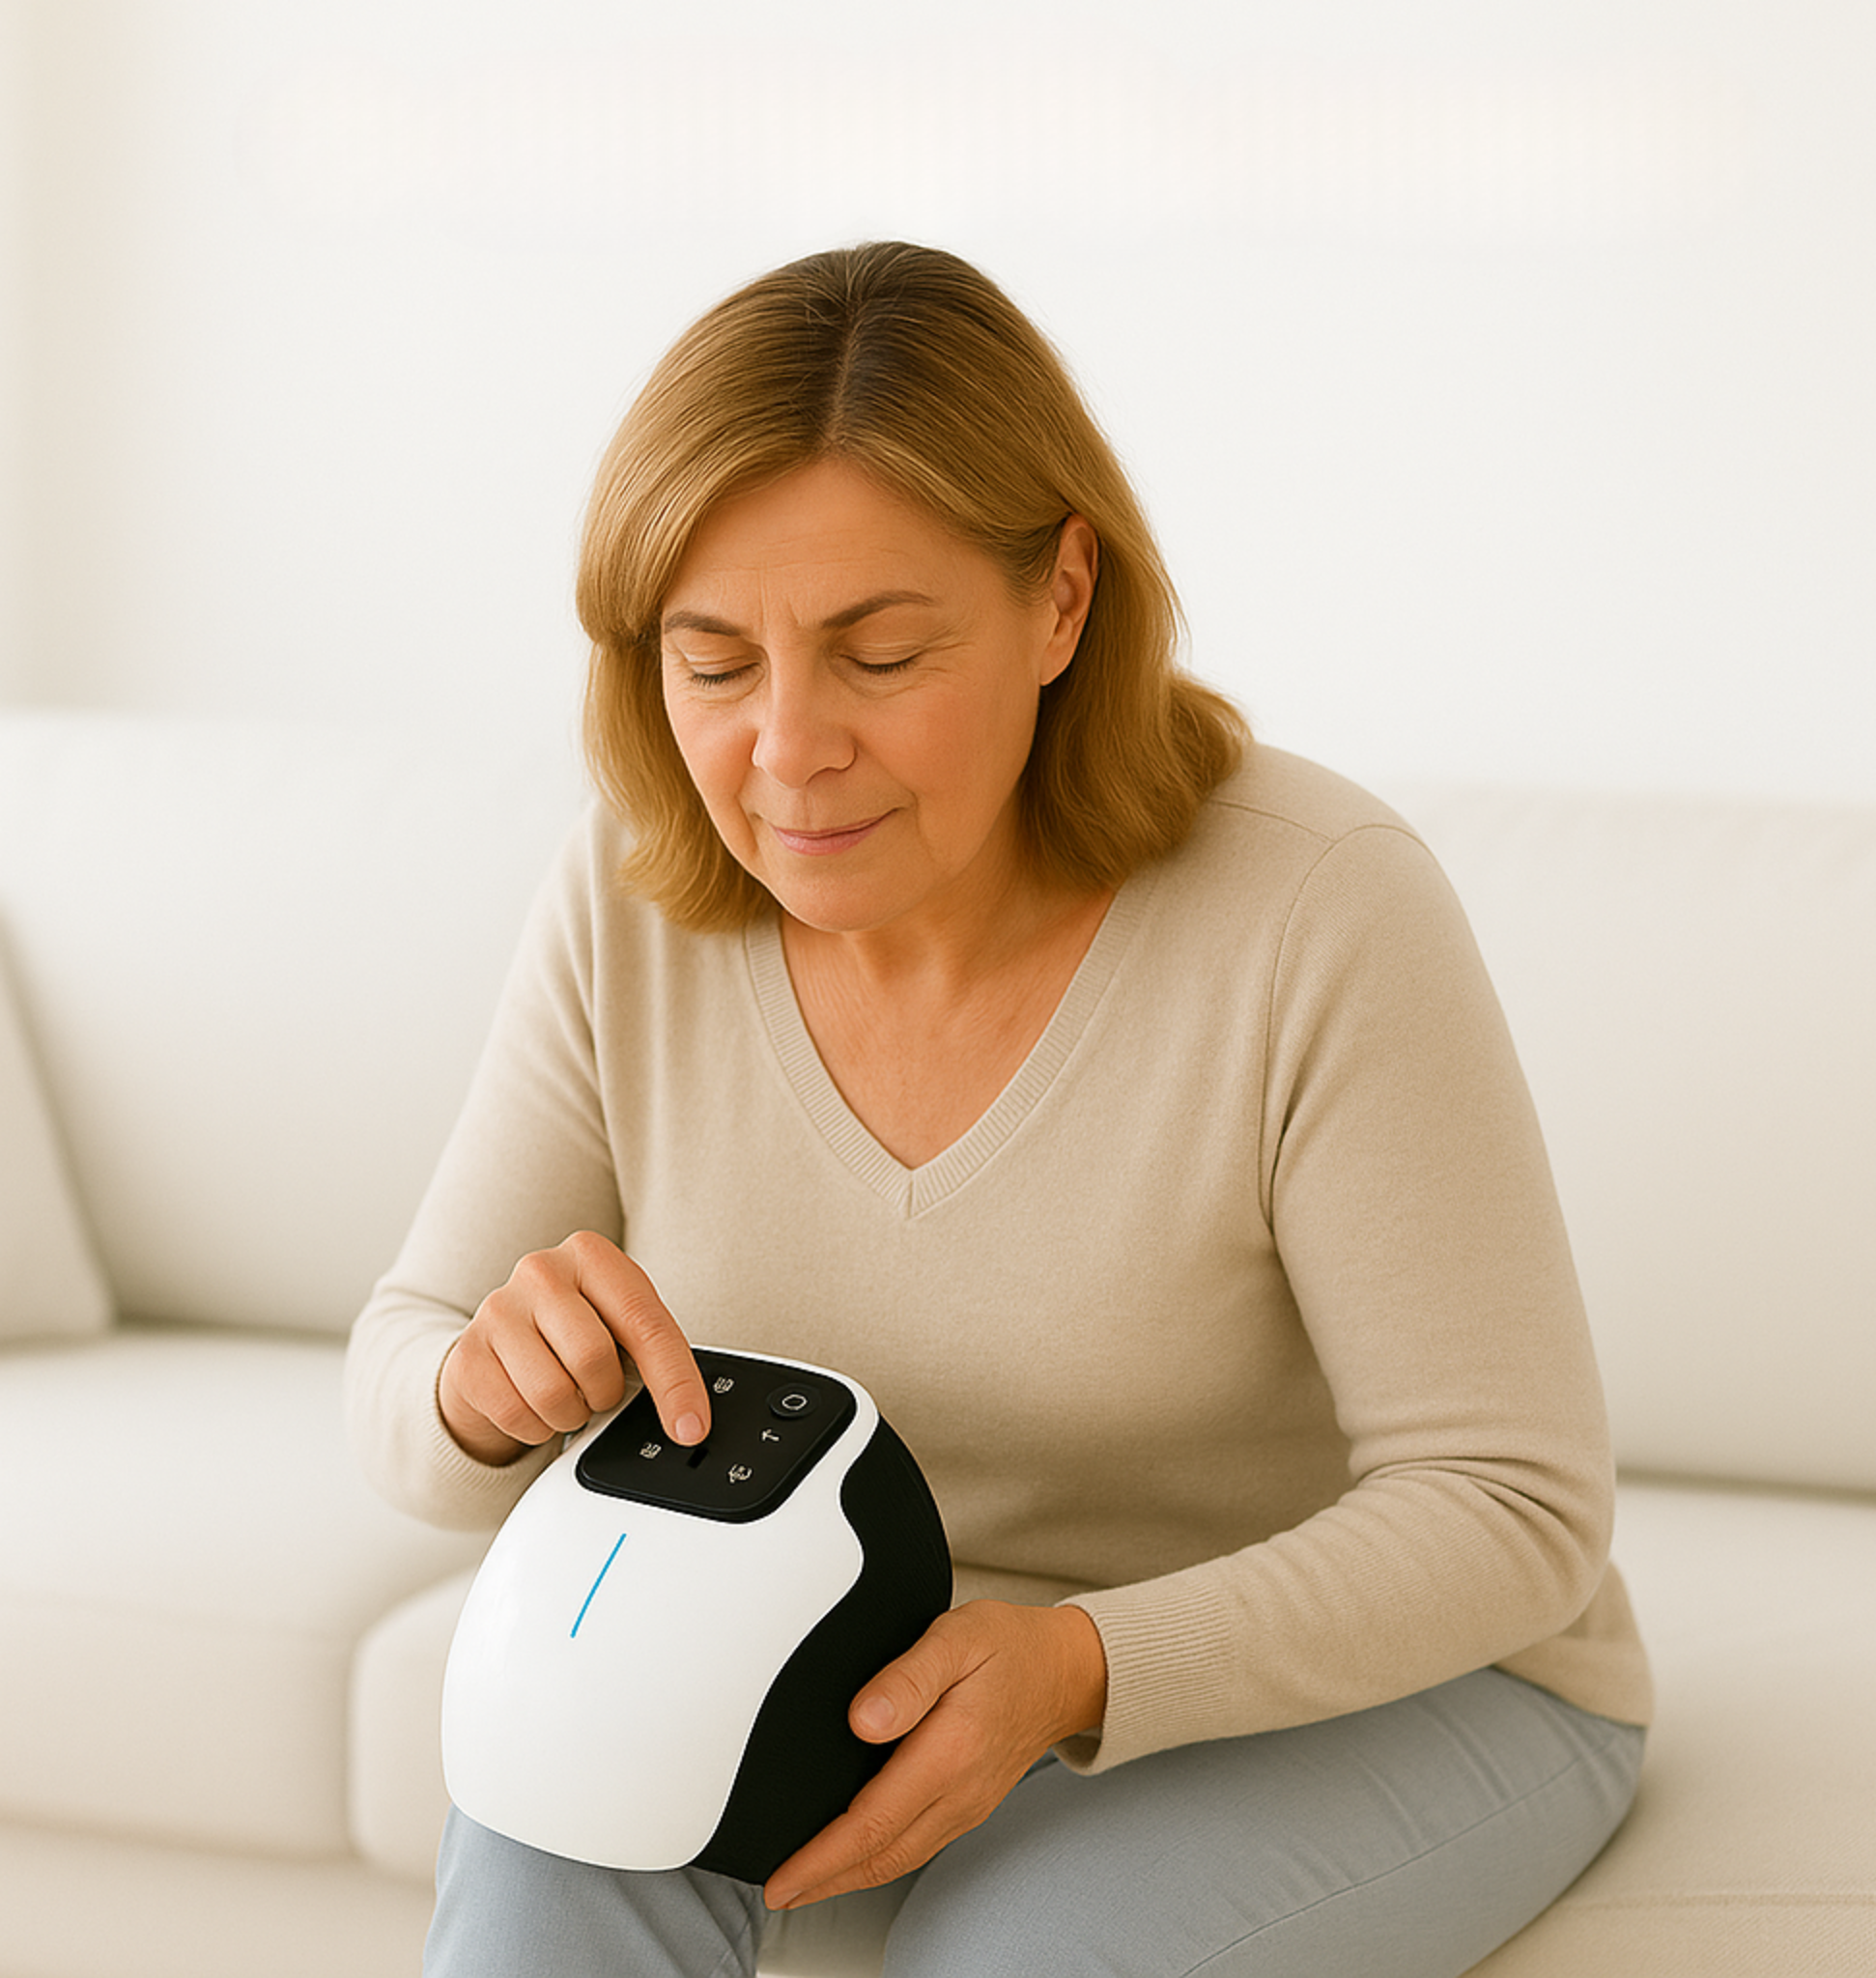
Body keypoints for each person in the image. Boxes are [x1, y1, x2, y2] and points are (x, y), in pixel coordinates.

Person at [346, 240, 1652, 1978]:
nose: (787, 749)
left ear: (1061, 602)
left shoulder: (1317, 909)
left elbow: (1512, 1505)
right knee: (547, 1836)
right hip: (848, 1654)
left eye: (881, 655)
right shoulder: (634, 897)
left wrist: (1080, 1664)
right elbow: (406, 1368)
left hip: (1392, 1684)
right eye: (714, 665)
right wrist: (480, 1389)